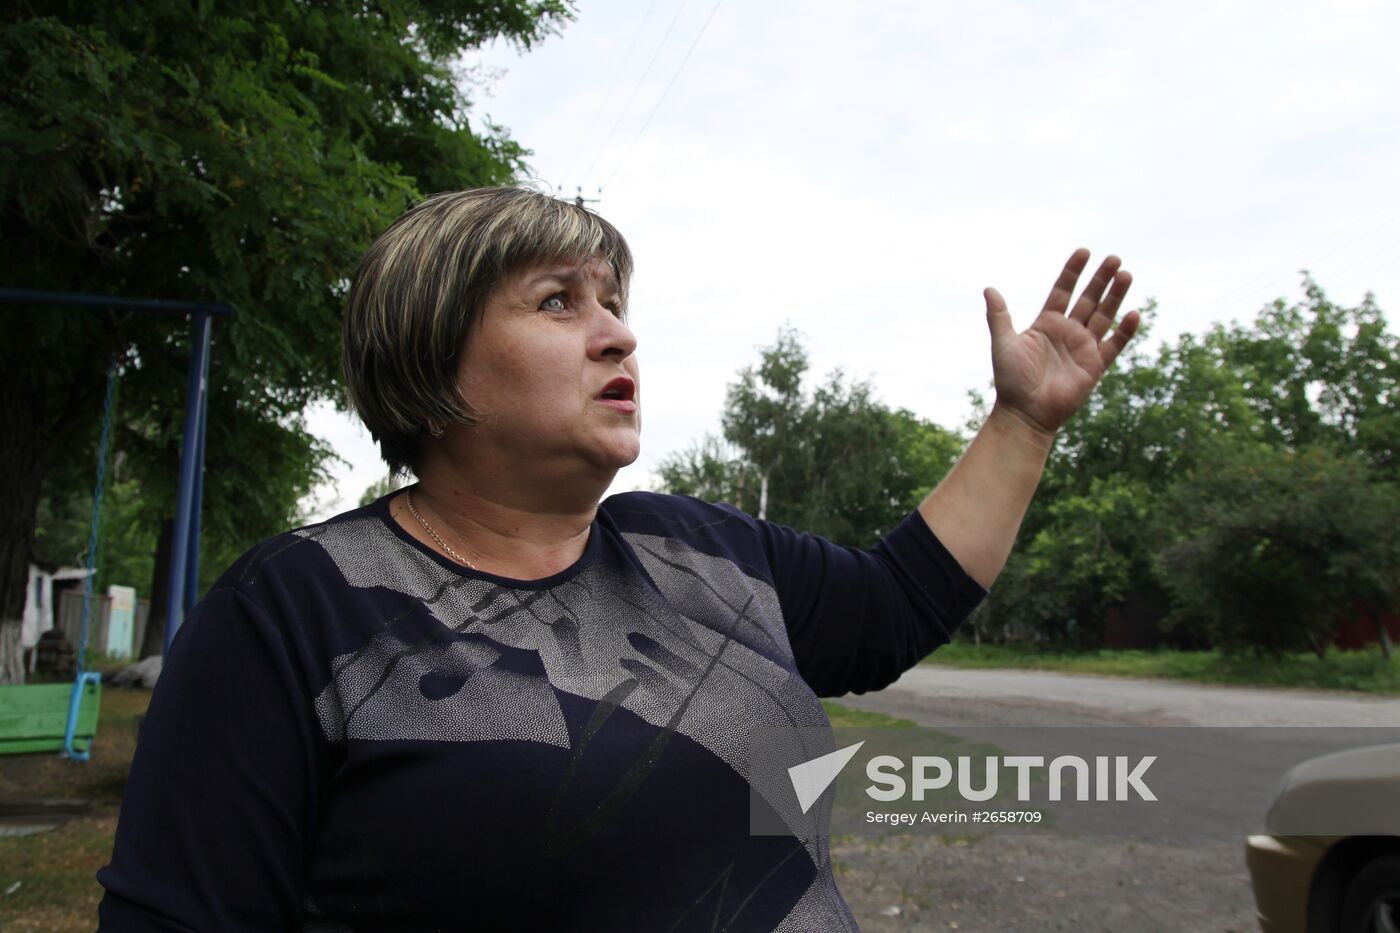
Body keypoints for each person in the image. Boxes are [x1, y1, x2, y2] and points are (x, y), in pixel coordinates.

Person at [95, 186, 1137, 931]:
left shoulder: (698, 552)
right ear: (429, 355)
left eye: (612, 304)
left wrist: (1021, 425)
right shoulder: (293, 614)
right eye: (558, 302)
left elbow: (893, 604)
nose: (616, 337)